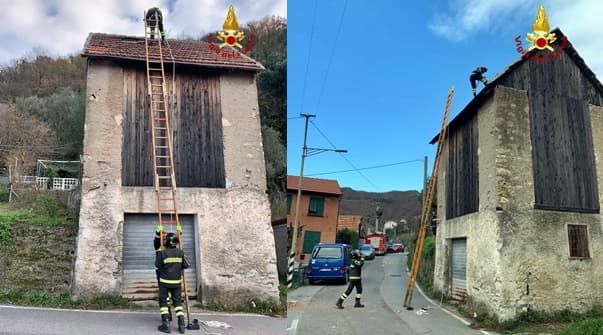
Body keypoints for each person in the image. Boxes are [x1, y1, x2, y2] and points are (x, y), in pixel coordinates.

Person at [156, 232, 189, 333]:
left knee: (163, 302)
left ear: (167, 242)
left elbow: (158, 265)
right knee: (177, 303)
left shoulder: (163, 253)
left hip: (164, 283)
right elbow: (186, 265)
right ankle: (181, 325)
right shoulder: (181, 252)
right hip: (176, 283)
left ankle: (165, 324)